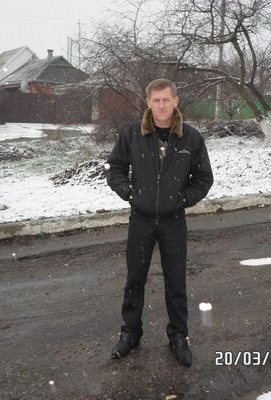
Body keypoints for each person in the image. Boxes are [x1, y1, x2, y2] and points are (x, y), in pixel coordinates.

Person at [105, 78, 213, 366]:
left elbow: (204, 179)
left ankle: (179, 336)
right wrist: (130, 194)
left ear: (176, 101)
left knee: (176, 282)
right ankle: (130, 333)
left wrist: (182, 199)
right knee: (135, 280)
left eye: (167, 100)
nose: (162, 105)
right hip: (140, 219)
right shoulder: (133, 134)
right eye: (156, 100)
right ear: (148, 102)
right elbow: (114, 168)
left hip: (173, 221)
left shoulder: (190, 138)